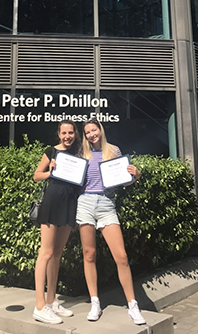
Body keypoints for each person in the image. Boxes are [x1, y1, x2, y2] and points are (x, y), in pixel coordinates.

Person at [76, 118, 146, 325]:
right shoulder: (81, 153)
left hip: (107, 204)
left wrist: (135, 175)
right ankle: (95, 302)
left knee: (122, 257)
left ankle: (132, 305)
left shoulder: (113, 151)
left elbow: (124, 181)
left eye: (94, 130)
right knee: (89, 255)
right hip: (85, 203)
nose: (91, 134)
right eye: (87, 132)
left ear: (100, 130)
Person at [32, 121, 82, 325]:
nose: (67, 136)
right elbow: (36, 176)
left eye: (71, 132)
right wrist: (50, 172)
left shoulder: (79, 154)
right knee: (45, 252)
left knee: (57, 254)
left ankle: (51, 301)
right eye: (64, 132)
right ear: (59, 134)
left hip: (70, 204)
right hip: (52, 203)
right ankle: (39, 306)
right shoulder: (51, 151)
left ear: (74, 134)